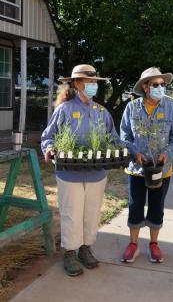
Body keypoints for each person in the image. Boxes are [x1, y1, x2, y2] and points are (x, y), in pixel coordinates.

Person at [41, 64, 120, 276]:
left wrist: (124, 149)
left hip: (96, 173)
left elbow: (113, 138)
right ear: (77, 84)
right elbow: (48, 137)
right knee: (72, 214)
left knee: (91, 214)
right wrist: (49, 149)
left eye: (95, 82)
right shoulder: (65, 110)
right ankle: (69, 252)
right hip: (69, 173)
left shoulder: (101, 112)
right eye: (89, 82)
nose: (93, 85)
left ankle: (86, 248)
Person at [120, 67, 173, 263]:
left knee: (157, 207)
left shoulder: (171, 108)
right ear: (145, 87)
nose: (160, 87)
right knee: (135, 205)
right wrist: (134, 153)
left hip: (161, 170)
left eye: (162, 84)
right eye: (155, 84)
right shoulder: (131, 107)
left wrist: (167, 154)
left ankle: (154, 245)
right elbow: (124, 135)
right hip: (137, 169)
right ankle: (133, 244)